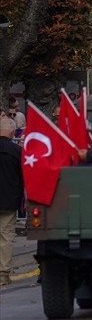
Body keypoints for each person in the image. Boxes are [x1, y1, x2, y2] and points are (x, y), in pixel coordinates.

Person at [0, 116, 21, 286]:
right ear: (13, 132)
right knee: (6, 236)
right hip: (8, 200)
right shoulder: (17, 151)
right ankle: (3, 273)